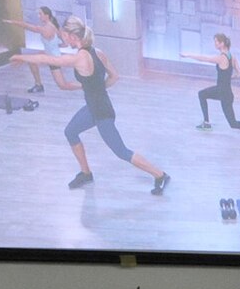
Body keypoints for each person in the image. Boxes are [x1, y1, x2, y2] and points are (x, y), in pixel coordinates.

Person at [11, 16, 168, 194]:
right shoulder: (97, 52)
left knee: (121, 151)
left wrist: (22, 57)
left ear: (72, 36)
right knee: (70, 132)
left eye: (64, 35)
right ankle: (86, 173)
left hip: (101, 112)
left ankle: (160, 175)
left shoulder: (80, 57)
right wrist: (96, 89)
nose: (63, 39)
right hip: (95, 107)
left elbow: (53, 60)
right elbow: (114, 76)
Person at [182, 32, 240, 134]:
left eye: (216, 42)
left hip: (221, 91)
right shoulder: (232, 57)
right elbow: (239, 74)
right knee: (233, 123)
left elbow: (204, 58)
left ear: (222, 43)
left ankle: (206, 123)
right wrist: (228, 78)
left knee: (202, 94)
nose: (215, 44)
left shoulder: (221, 58)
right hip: (227, 93)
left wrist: (188, 55)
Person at [1, 5, 64, 93]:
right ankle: (38, 85)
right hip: (51, 55)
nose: (39, 16)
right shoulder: (54, 26)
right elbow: (65, 44)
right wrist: (54, 47)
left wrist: (12, 22)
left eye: (40, 14)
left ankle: (85, 85)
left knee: (63, 85)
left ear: (47, 15)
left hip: (53, 58)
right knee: (32, 61)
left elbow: (27, 26)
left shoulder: (46, 28)